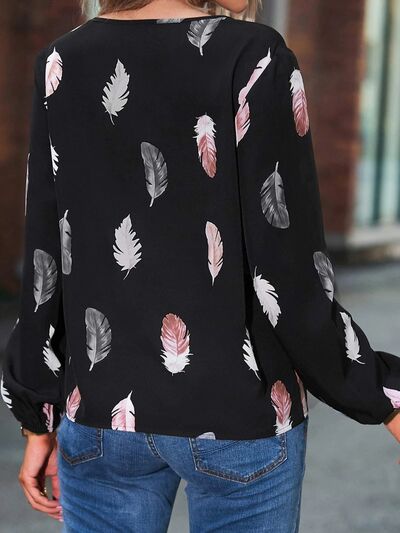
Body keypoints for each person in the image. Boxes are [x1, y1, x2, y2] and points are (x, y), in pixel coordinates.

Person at [1, 0, 400, 531]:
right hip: (240, 413)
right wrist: (381, 394)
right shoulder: (254, 57)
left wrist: (37, 415)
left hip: (98, 412)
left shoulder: (61, 61)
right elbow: (289, 273)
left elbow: (45, 261)